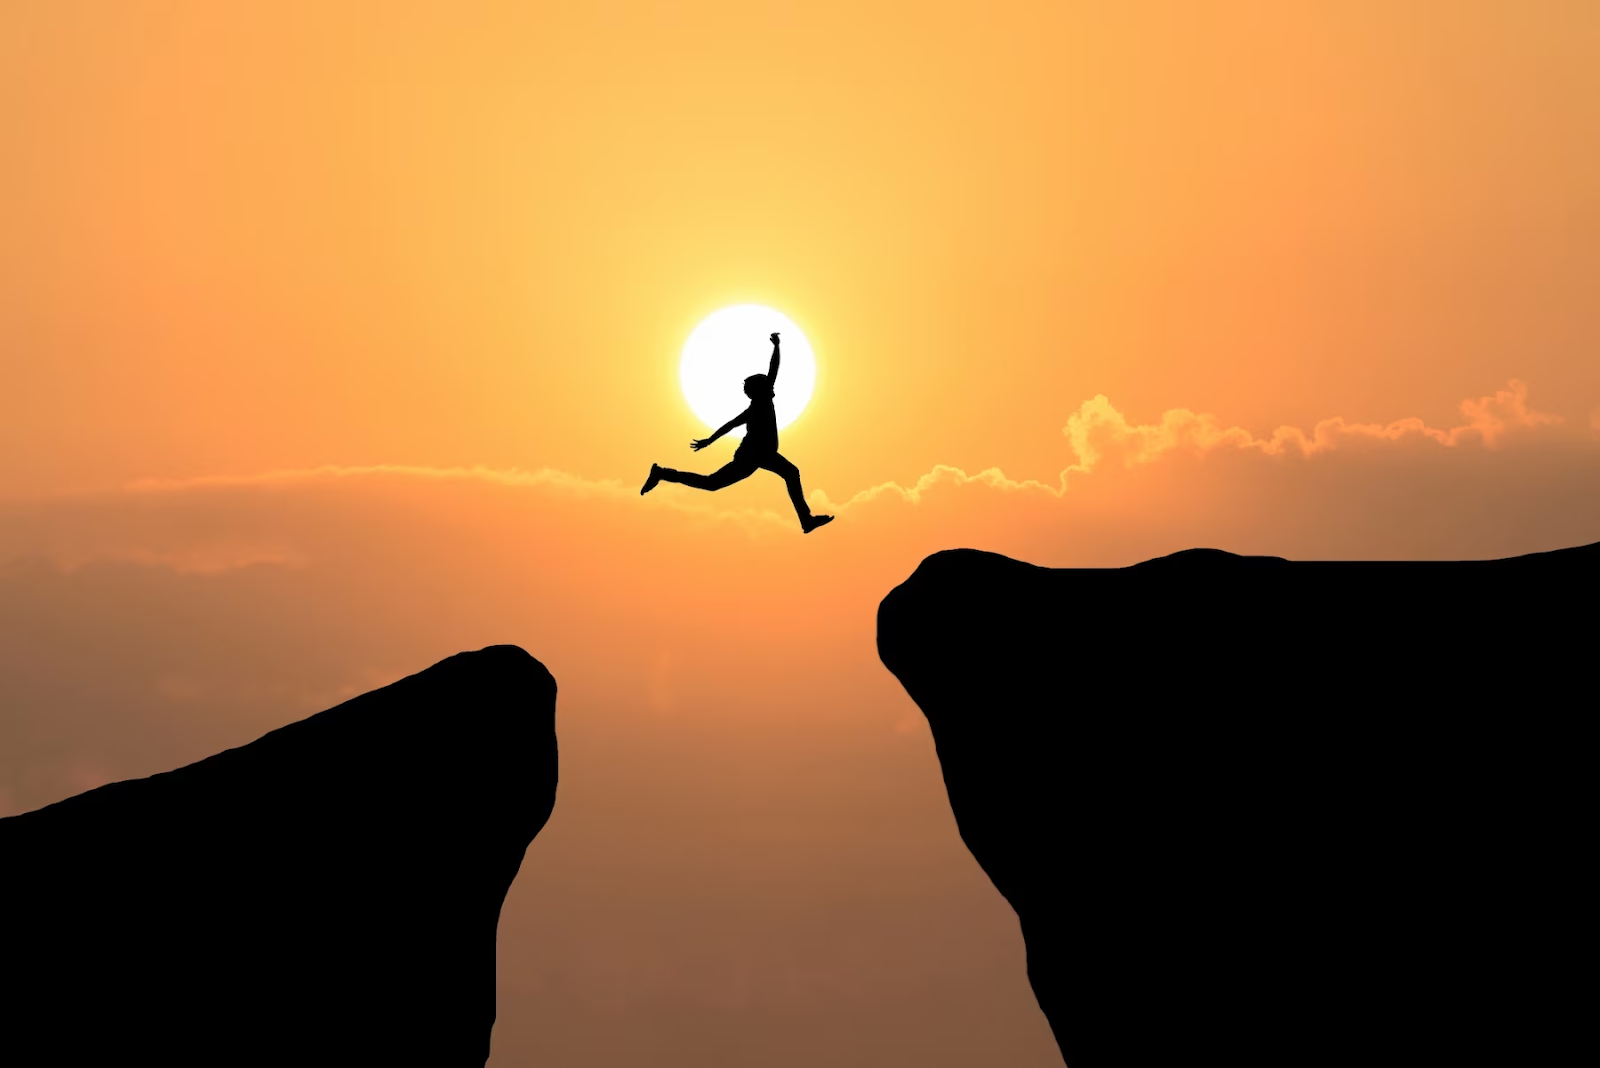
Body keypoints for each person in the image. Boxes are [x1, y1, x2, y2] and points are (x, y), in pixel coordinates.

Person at [641, 332, 834, 533]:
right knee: (712, 483)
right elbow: (772, 371)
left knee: (788, 474)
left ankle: (806, 520)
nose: (772, 388)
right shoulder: (759, 404)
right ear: (761, 390)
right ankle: (662, 473)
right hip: (752, 457)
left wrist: (709, 441)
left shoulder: (760, 403)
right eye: (767, 386)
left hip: (763, 456)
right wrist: (776, 346)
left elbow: (732, 422)